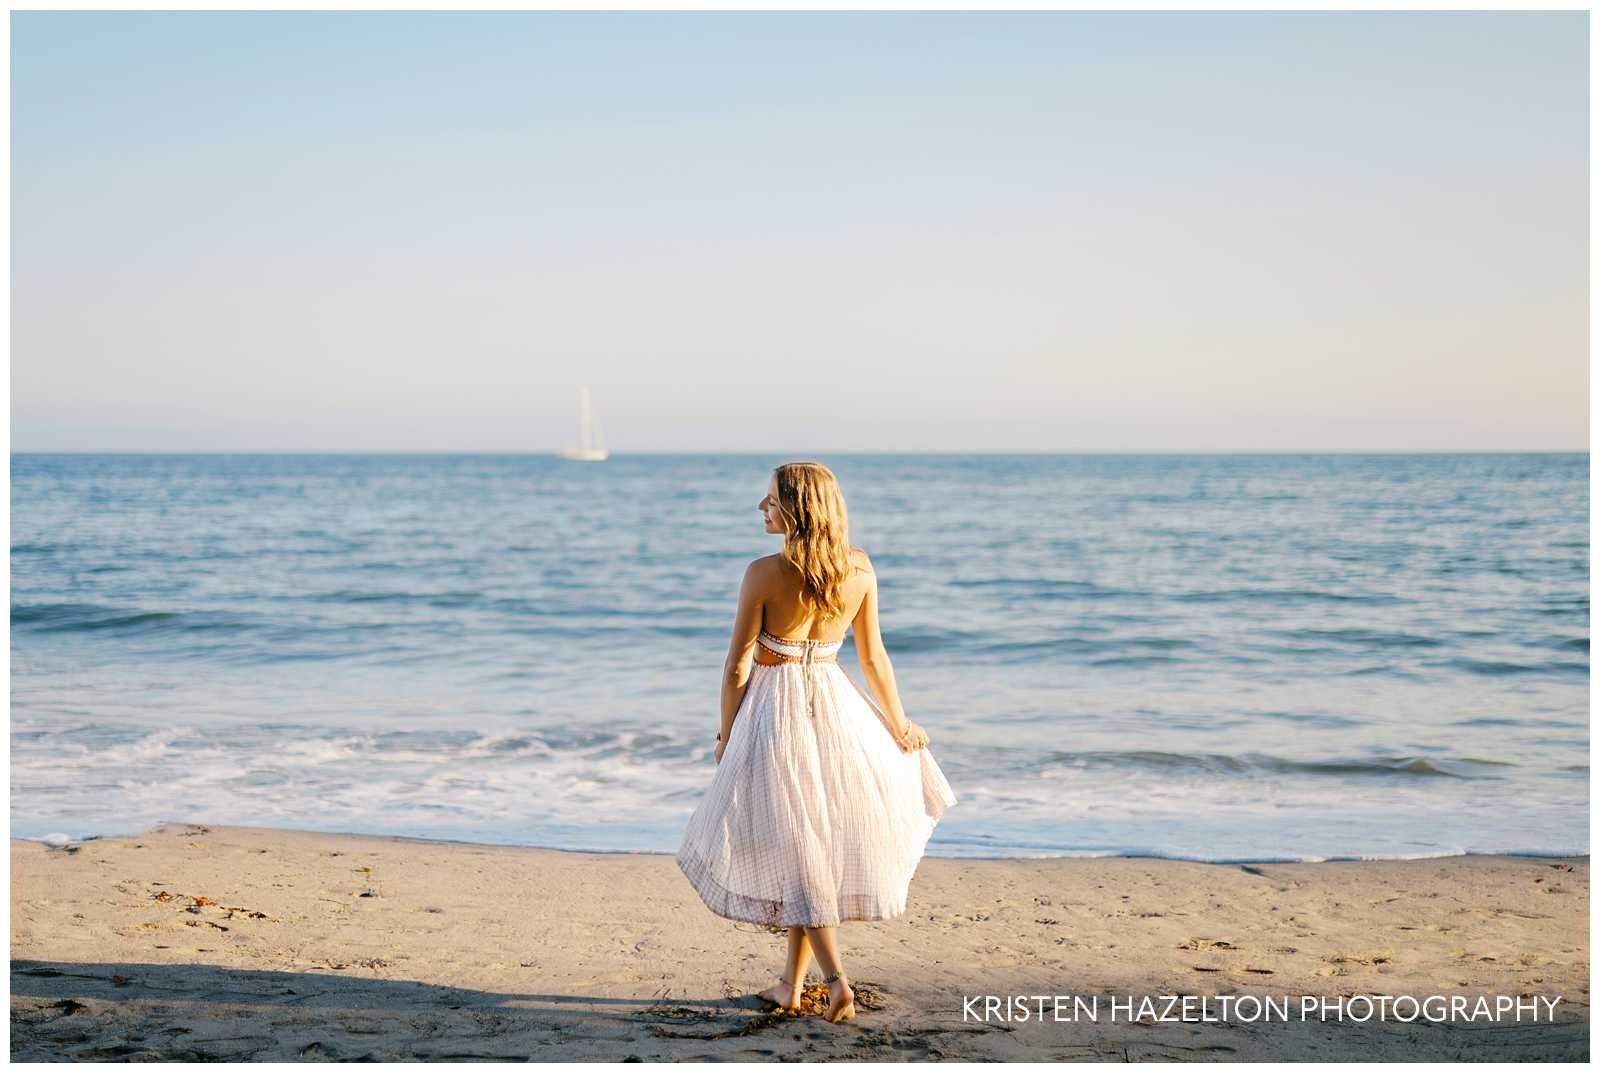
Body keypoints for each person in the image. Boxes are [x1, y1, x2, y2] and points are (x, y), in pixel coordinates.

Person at [675, 461, 958, 1025]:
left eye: (771, 498)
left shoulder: (763, 572)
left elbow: (737, 666)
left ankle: (836, 982)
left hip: (775, 712)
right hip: (835, 703)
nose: (761, 506)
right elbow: (874, 657)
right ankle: (790, 983)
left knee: (800, 847)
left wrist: (727, 736)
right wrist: (898, 722)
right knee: (806, 841)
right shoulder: (859, 569)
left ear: (797, 509)